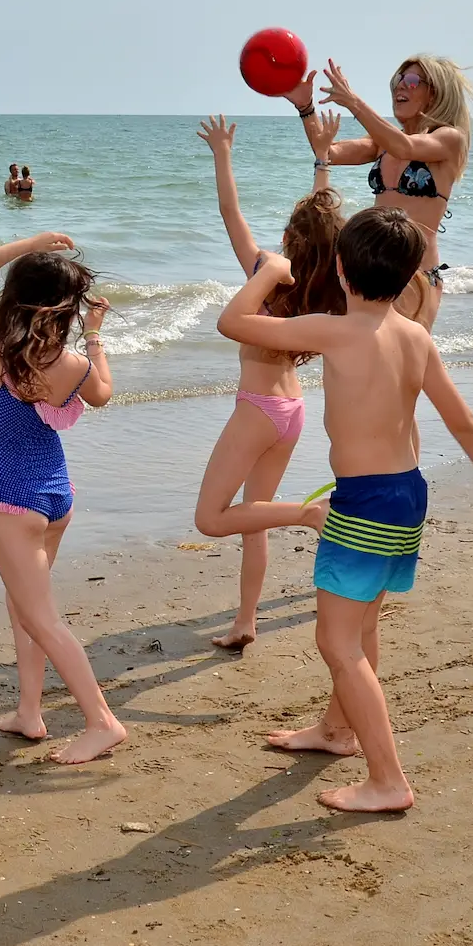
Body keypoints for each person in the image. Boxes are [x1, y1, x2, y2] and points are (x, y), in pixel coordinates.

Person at [217, 209, 473, 812]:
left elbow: (234, 322)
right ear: (409, 275)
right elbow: (461, 419)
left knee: (337, 644)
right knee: (361, 628)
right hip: (407, 492)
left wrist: (269, 272)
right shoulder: (415, 336)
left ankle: (388, 780)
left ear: (339, 269)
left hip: (364, 504)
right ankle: (337, 733)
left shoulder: (335, 330)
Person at [0, 232, 125, 764]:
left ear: (15, 295)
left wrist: (29, 244)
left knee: (41, 617)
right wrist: (94, 336)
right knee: (24, 604)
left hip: (12, 502)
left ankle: (101, 721)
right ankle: (30, 712)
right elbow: (103, 395)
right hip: (55, 494)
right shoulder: (68, 361)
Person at [192, 113, 347, 650]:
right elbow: (323, 222)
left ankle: (311, 515)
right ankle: (245, 622)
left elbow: (229, 212)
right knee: (251, 518)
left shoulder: (269, 271)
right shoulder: (325, 285)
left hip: (257, 410)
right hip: (292, 411)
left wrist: (222, 154)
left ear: (287, 239)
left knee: (211, 517)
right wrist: (321, 160)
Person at [289, 56, 473, 331]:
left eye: (412, 81)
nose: (401, 87)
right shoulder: (383, 143)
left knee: (404, 361)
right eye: (398, 80)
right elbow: (327, 151)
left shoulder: (449, 138)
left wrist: (353, 101)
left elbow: (405, 148)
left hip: (416, 274)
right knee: (364, 354)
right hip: (369, 267)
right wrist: (305, 107)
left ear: (435, 92)